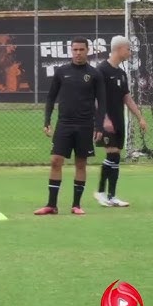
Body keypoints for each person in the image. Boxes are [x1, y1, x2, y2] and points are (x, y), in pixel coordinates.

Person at [35, 36, 106, 216]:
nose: (78, 53)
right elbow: (51, 97)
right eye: (75, 50)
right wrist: (47, 121)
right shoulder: (61, 72)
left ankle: (76, 205)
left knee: (80, 164)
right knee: (55, 161)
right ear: (71, 51)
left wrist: (99, 126)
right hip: (64, 124)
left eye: (81, 50)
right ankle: (51, 205)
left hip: (85, 125)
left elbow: (102, 102)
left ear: (88, 51)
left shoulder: (95, 74)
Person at [94, 36, 148, 207]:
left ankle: (112, 196)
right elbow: (94, 98)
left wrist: (140, 117)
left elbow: (127, 97)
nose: (130, 52)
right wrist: (104, 118)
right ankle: (101, 192)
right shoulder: (101, 70)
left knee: (115, 157)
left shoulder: (122, 73)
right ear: (119, 49)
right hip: (106, 121)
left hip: (119, 121)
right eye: (128, 49)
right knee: (112, 154)